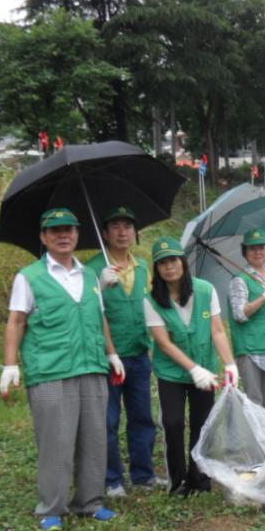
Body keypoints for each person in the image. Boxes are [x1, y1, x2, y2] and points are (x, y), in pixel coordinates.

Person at [0, 208, 120, 531]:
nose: (63, 235)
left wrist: (112, 354)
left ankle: (90, 502)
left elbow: (100, 317)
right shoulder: (30, 277)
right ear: (43, 237)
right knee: (57, 442)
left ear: (78, 234)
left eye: (68, 229)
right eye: (55, 231)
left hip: (92, 366)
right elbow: (16, 320)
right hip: (51, 371)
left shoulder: (91, 276)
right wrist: (10, 364)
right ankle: (51, 507)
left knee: (95, 440)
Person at [144, 237, 238, 496]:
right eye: (162, 263)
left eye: (173, 260)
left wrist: (229, 363)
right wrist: (193, 369)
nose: (169, 267)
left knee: (202, 424)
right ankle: (177, 481)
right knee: (173, 423)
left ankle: (199, 478)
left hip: (207, 369)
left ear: (183, 262)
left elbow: (217, 331)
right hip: (171, 373)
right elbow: (163, 343)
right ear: (157, 269)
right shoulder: (151, 300)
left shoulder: (205, 290)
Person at [85, 206, 165, 498]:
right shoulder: (93, 269)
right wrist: (100, 287)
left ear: (135, 232)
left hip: (140, 353)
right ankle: (112, 479)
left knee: (142, 416)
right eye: (115, 226)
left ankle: (143, 474)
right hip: (108, 357)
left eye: (128, 226)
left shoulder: (143, 267)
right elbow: (84, 310)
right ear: (104, 233)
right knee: (108, 420)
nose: (122, 232)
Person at [228, 228, 265, 410]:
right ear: (245, 253)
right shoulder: (239, 280)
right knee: (255, 401)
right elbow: (240, 314)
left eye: (261, 247)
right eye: (252, 248)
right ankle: (254, 439)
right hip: (251, 349)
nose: (257, 252)